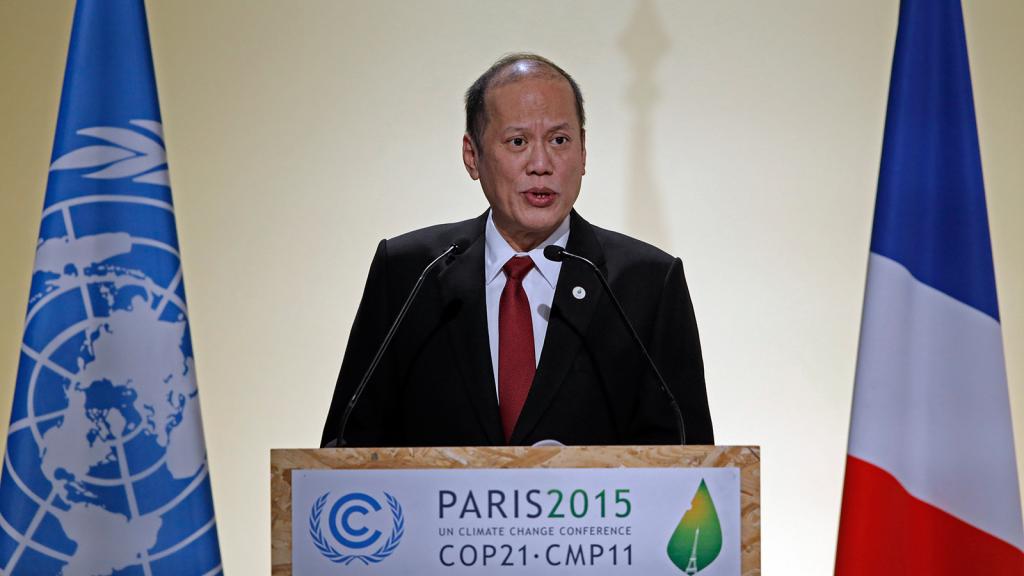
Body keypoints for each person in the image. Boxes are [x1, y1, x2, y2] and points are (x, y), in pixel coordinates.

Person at [321, 54, 713, 447]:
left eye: (560, 140)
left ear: (583, 153)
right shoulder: (409, 273)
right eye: (518, 142)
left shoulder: (646, 283)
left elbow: (689, 461)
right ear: (472, 156)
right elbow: (347, 448)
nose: (541, 164)